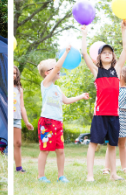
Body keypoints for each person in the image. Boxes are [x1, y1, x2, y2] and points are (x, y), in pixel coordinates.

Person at [80, 21, 126, 181]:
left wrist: (123, 30)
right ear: (99, 57)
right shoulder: (96, 71)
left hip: (114, 115)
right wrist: (84, 34)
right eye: (104, 52)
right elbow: (84, 53)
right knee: (93, 144)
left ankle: (114, 174)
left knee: (112, 145)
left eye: (110, 52)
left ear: (113, 56)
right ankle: (90, 175)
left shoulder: (117, 70)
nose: (107, 54)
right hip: (100, 115)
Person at [36, 47, 90, 182]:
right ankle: (40, 176)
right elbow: (59, 65)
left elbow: (66, 101)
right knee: (45, 150)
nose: (58, 68)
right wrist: (65, 52)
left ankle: (61, 175)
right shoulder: (46, 84)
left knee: (60, 150)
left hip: (58, 123)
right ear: (47, 73)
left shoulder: (57, 89)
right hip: (46, 122)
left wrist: (81, 96)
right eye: (54, 68)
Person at [13, 65, 34, 173]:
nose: (14, 75)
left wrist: (26, 122)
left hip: (16, 118)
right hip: (7, 118)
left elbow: (22, 107)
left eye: (15, 73)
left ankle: (19, 168)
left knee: (18, 143)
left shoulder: (19, 89)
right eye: (12, 73)